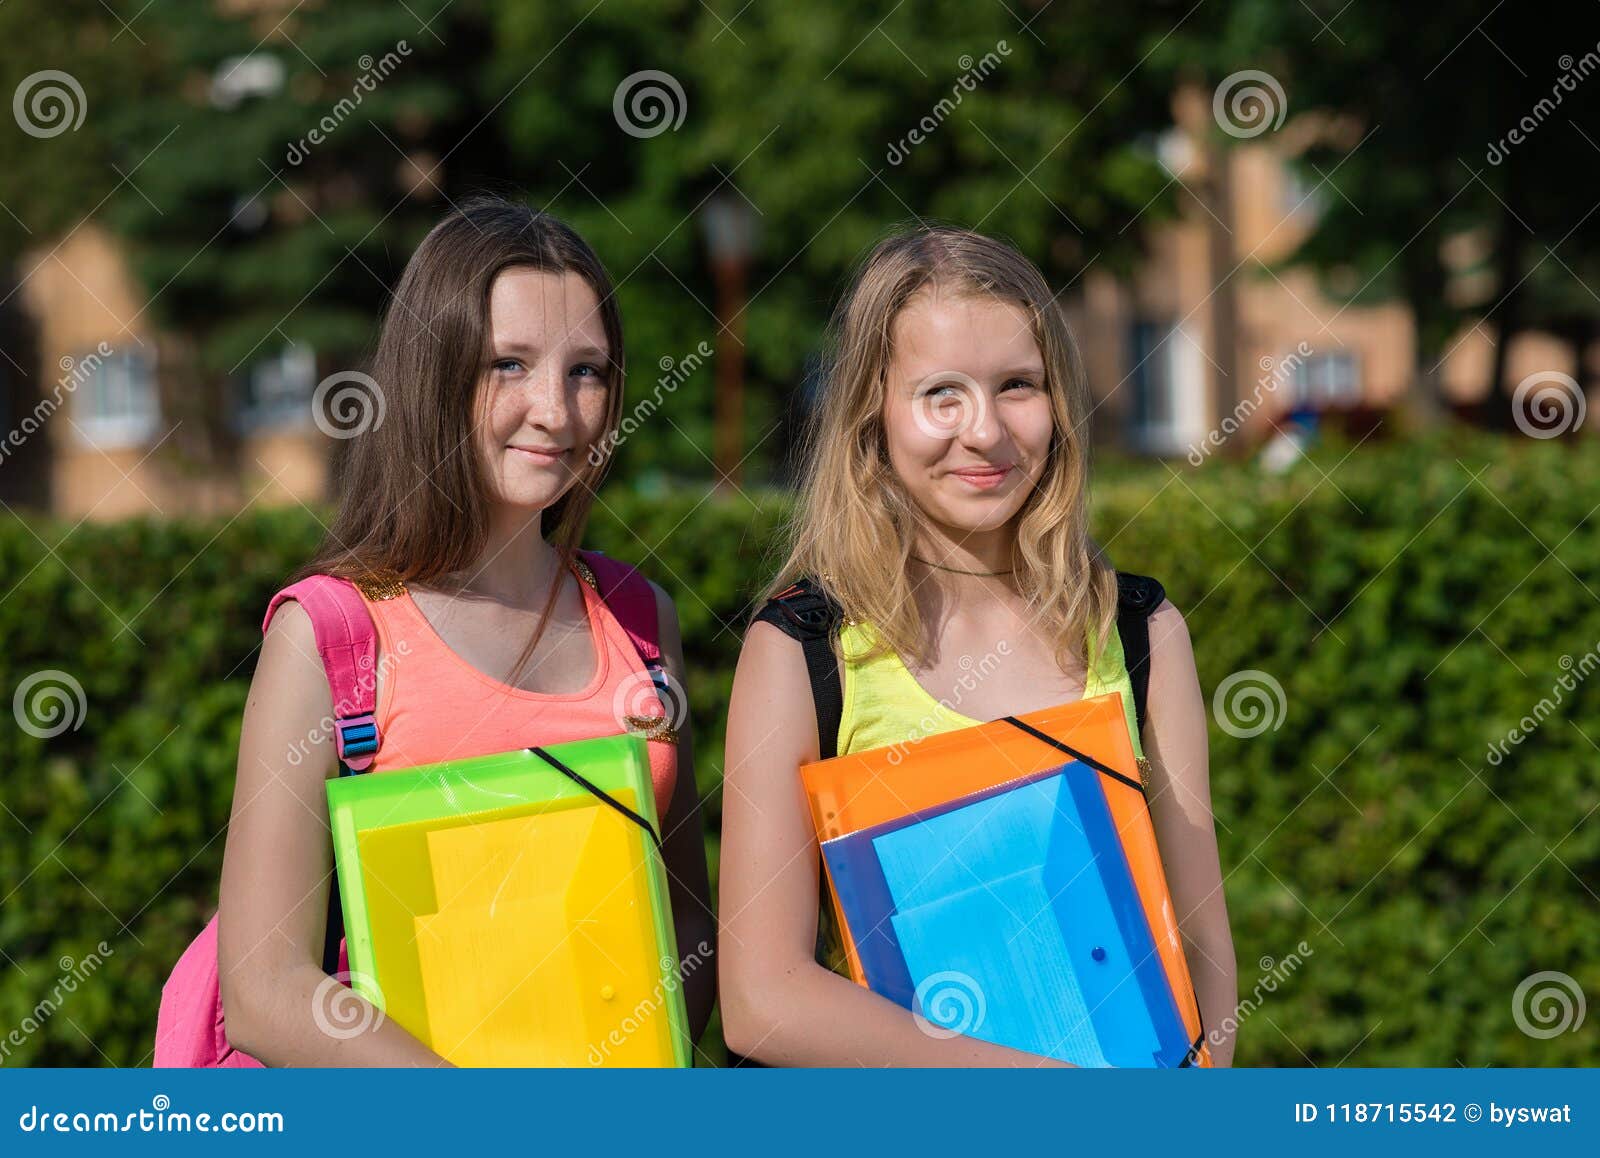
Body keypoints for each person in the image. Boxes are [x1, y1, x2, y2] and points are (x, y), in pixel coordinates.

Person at [718, 226, 1236, 1066]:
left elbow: (1203, 940)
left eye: (1018, 386)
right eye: (940, 394)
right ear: (871, 415)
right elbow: (760, 1000)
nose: (986, 430)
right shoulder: (803, 652)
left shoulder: (1141, 632)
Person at [217, 195, 715, 1065]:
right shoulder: (329, 636)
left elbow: (687, 923)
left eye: (588, 371)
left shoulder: (642, 618)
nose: (556, 412)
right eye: (508, 365)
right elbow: (263, 991)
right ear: (432, 376)